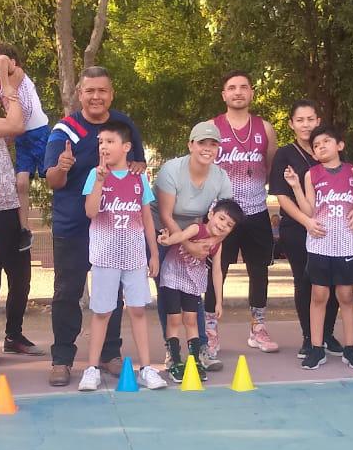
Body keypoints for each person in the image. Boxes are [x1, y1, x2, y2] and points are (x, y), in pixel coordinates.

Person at [44, 66, 146, 387]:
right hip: (73, 226)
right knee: (67, 293)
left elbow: (138, 164)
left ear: (111, 94)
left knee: (112, 293)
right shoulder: (65, 130)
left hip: (114, 230)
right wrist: (62, 167)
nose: (96, 97)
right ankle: (62, 358)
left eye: (102, 90)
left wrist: (138, 165)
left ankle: (109, 353)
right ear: (80, 94)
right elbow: (52, 180)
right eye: (90, 91)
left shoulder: (124, 125)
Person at [76, 122, 166, 392]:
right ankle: (92, 368)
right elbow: (91, 212)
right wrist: (100, 181)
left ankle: (146, 368)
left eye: (110, 141)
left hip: (135, 256)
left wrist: (153, 253)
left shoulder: (139, 178)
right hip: (105, 256)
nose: (103, 146)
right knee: (102, 311)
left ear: (126, 147)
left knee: (137, 310)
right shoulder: (95, 175)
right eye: (100, 142)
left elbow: (147, 218)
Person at [205, 72, 280, 358]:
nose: (238, 92)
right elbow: (201, 167)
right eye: (232, 88)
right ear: (223, 94)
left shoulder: (265, 128)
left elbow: (270, 167)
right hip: (222, 215)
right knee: (216, 271)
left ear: (251, 93)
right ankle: (210, 330)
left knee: (259, 272)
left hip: (257, 211)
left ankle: (258, 327)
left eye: (243, 87)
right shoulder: (212, 127)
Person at [284, 126, 353, 371]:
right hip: (319, 243)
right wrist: (296, 187)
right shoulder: (312, 174)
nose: (321, 147)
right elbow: (309, 210)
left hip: (345, 245)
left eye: (326, 142)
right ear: (313, 152)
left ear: (339, 145)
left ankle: (350, 348)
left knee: (346, 296)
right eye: (316, 145)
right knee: (319, 296)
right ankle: (316, 347)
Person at [150, 121, 233, 357]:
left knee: (193, 290)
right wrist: (188, 246)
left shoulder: (221, 177)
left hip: (196, 232)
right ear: (190, 145)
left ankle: (200, 348)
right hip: (164, 230)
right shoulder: (171, 170)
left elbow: (226, 218)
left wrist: (211, 242)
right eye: (202, 143)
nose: (207, 148)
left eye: (213, 144)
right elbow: (166, 215)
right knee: (168, 291)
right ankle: (172, 350)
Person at [269, 101, 342, 359]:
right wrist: (306, 221)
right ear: (291, 124)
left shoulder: (328, 147)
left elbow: (346, 187)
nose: (306, 125)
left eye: (310, 119)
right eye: (300, 120)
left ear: (318, 120)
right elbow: (282, 195)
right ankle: (310, 337)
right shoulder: (285, 154)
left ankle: (327, 334)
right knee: (305, 281)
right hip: (297, 228)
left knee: (332, 281)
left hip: (331, 228)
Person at [0, 60, 36, 362]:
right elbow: (15, 123)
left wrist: (0, 83)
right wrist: (2, 74)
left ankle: (14, 335)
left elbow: (10, 119)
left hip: (11, 210)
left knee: (21, 279)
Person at [157, 200, 243, 382]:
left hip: (193, 281)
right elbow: (180, 236)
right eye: (221, 218)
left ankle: (194, 360)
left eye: (229, 225)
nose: (223, 225)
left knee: (191, 319)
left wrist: (219, 301)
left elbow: (217, 271)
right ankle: (175, 361)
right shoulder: (197, 228)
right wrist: (167, 240)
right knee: (174, 318)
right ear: (211, 215)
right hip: (173, 274)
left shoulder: (218, 245)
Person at [0, 41, 49, 251]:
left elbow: (5, 60)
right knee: (21, 183)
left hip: (39, 133)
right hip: (22, 138)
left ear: (12, 62)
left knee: (50, 176)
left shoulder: (18, 74)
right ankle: (24, 229)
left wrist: (6, 85)